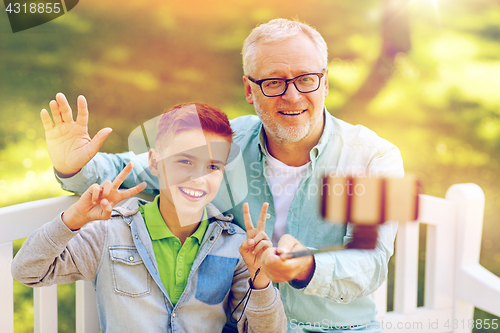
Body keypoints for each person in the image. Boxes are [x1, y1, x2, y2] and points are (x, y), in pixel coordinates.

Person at [41, 19, 404, 332]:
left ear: (325, 82)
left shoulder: (375, 158)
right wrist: (74, 165)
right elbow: (130, 171)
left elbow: (370, 262)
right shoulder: (225, 145)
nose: (292, 96)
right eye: (274, 82)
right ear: (249, 89)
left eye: (306, 79)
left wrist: (304, 266)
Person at [12, 103, 287, 333]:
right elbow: (27, 270)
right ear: (154, 162)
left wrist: (260, 280)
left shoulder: (235, 247)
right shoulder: (109, 233)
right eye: (185, 161)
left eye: (212, 166)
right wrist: (72, 219)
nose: (199, 177)